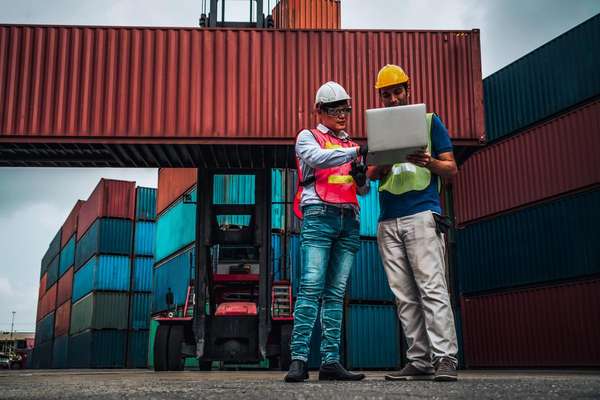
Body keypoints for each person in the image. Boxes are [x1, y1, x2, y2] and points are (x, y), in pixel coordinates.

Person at [367, 64, 459, 381]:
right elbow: (371, 175)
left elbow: (451, 169)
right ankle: (419, 360)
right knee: (404, 295)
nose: (392, 98)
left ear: (408, 89)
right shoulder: (377, 129)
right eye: (386, 94)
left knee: (432, 287)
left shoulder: (430, 122)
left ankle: (445, 358)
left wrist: (428, 161)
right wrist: (388, 159)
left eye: (397, 91)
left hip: (422, 212)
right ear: (380, 97)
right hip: (388, 218)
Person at [284, 81, 368, 382]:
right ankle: (299, 359)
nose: (342, 115)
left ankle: (331, 361)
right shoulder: (308, 137)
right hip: (318, 214)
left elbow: (364, 190)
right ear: (319, 110)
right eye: (335, 109)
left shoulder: (350, 145)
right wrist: (357, 152)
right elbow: (318, 159)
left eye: (345, 109)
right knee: (311, 287)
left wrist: (361, 178)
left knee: (335, 293)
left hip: (349, 219)